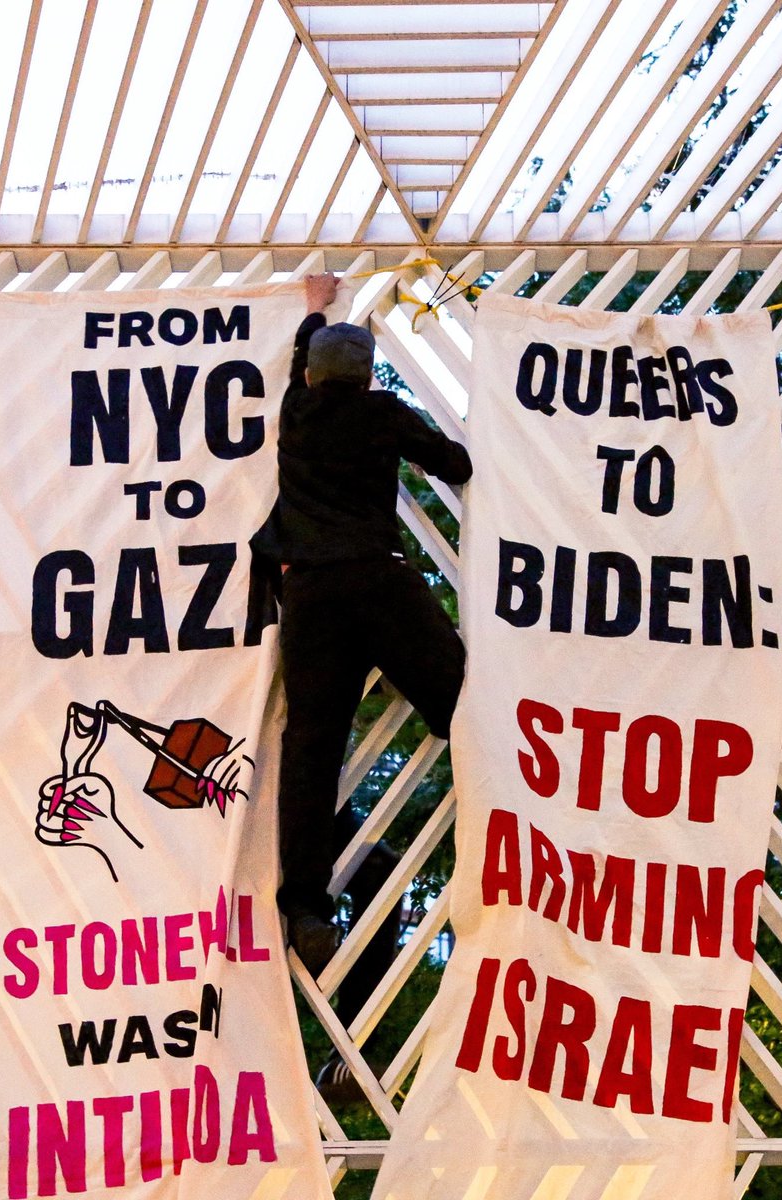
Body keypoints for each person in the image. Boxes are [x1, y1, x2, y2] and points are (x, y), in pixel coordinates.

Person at [251, 273, 471, 1090]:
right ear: (369, 376)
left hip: (311, 595)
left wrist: (314, 308)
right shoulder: (383, 415)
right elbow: (454, 462)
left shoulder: (296, 415)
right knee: (463, 704)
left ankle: (306, 907)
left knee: (313, 748)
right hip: (378, 582)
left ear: (311, 378)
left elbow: (302, 359)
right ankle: (506, 831)